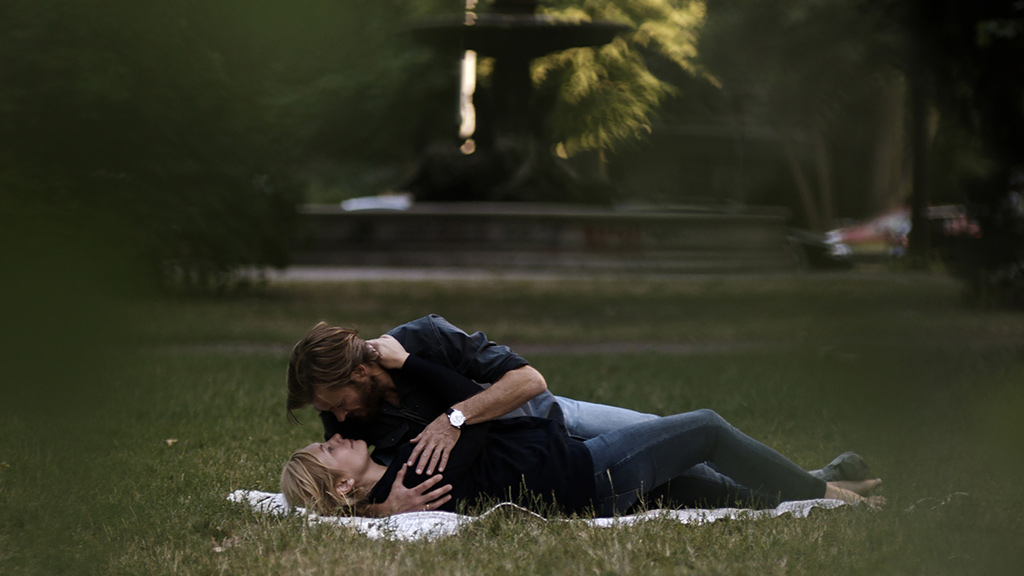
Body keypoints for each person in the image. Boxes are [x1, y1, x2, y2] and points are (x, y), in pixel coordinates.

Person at [285, 316, 870, 515]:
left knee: (688, 470)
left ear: (359, 372)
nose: (334, 425)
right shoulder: (353, 436)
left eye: (333, 405)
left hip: (543, 413)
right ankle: (822, 489)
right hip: (560, 465)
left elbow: (529, 382)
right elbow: (337, 488)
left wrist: (452, 414)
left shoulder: (426, 339)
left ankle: (818, 484)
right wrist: (379, 506)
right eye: (327, 421)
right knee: (696, 443)